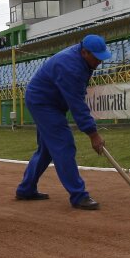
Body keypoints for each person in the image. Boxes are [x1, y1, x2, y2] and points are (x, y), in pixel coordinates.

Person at [14, 33, 110, 210]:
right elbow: (77, 104)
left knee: (46, 150)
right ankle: (79, 196)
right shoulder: (70, 67)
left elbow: (77, 96)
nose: (100, 62)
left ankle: (26, 189)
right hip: (43, 103)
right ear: (84, 52)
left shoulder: (82, 60)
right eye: (97, 58)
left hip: (51, 101)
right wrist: (93, 134)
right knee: (64, 144)